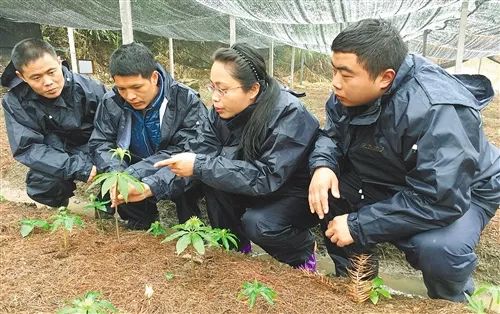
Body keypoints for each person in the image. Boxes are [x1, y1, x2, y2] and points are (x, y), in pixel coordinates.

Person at [308, 18, 499, 301]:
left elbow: (439, 198)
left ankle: (453, 300)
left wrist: (360, 224)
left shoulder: (438, 110)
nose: (335, 83)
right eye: (334, 70)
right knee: (327, 193)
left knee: (439, 248)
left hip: (464, 191)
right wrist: (324, 164)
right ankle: (356, 278)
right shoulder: (347, 94)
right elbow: (333, 135)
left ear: (385, 77)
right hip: (391, 173)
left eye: (345, 74)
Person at [113, 43, 320, 269]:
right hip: (250, 181)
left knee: (259, 224)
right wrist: (150, 187)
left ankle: (302, 255)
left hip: (290, 192)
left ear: (253, 89)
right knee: (213, 181)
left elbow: (266, 176)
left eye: (223, 89)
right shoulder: (220, 113)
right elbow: (198, 152)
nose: (215, 98)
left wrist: (199, 165)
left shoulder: (289, 114)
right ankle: (235, 250)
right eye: (212, 87)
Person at [89, 42, 207, 230]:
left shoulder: (185, 99)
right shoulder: (111, 102)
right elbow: (101, 142)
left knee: (187, 190)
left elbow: (191, 149)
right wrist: (117, 173)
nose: (130, 96)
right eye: (122, 88)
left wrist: (140, 177)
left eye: (136, 87)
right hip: (133, 166)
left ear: (153, 77)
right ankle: (140, 223)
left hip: (171, 168)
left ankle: (193, 228)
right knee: (130, 204)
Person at [1, 38, 106, 207]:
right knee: (42, 183)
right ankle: (61, 209)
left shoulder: (90, 89)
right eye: (36, 77)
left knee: (115, 168)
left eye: (51, 72)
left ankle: (106, 209)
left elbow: (110, 132)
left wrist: (99, 159)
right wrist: (75, 167)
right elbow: (28, 147)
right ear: (21, 76)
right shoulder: (16, 101)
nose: (48, 82)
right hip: (56, 151)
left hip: (93, 147)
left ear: (59, 61)